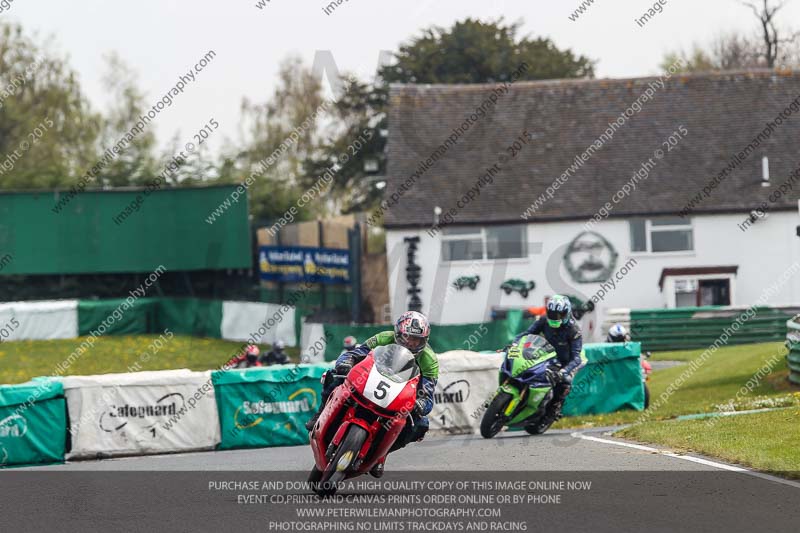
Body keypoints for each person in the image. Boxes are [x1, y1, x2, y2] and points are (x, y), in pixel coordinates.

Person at [306, 311, 438, 478]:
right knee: (333, 375)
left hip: (401, 393)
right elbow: (353, 354)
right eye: (407, 337)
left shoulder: (430, 360)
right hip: (370, 379)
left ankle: (382, 454)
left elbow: (427, 394)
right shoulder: (384, 338)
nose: (411, 343)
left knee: (420, 425)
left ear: (424, 341)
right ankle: (320, 413)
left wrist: (421, 403)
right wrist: (346, 363)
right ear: (398, 334)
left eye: (416, 340)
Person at [510, 295, 585, 427]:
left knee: (565, 382)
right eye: (552, 313)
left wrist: (564, 371)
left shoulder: (574, 330)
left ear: (566, 313)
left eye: (559, 314)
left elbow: (577, 357)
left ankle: (553, 410)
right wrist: (515, 343)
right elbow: (527, 333)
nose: (555, 317)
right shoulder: (544, 320)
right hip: (546, 355)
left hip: (565, 362)